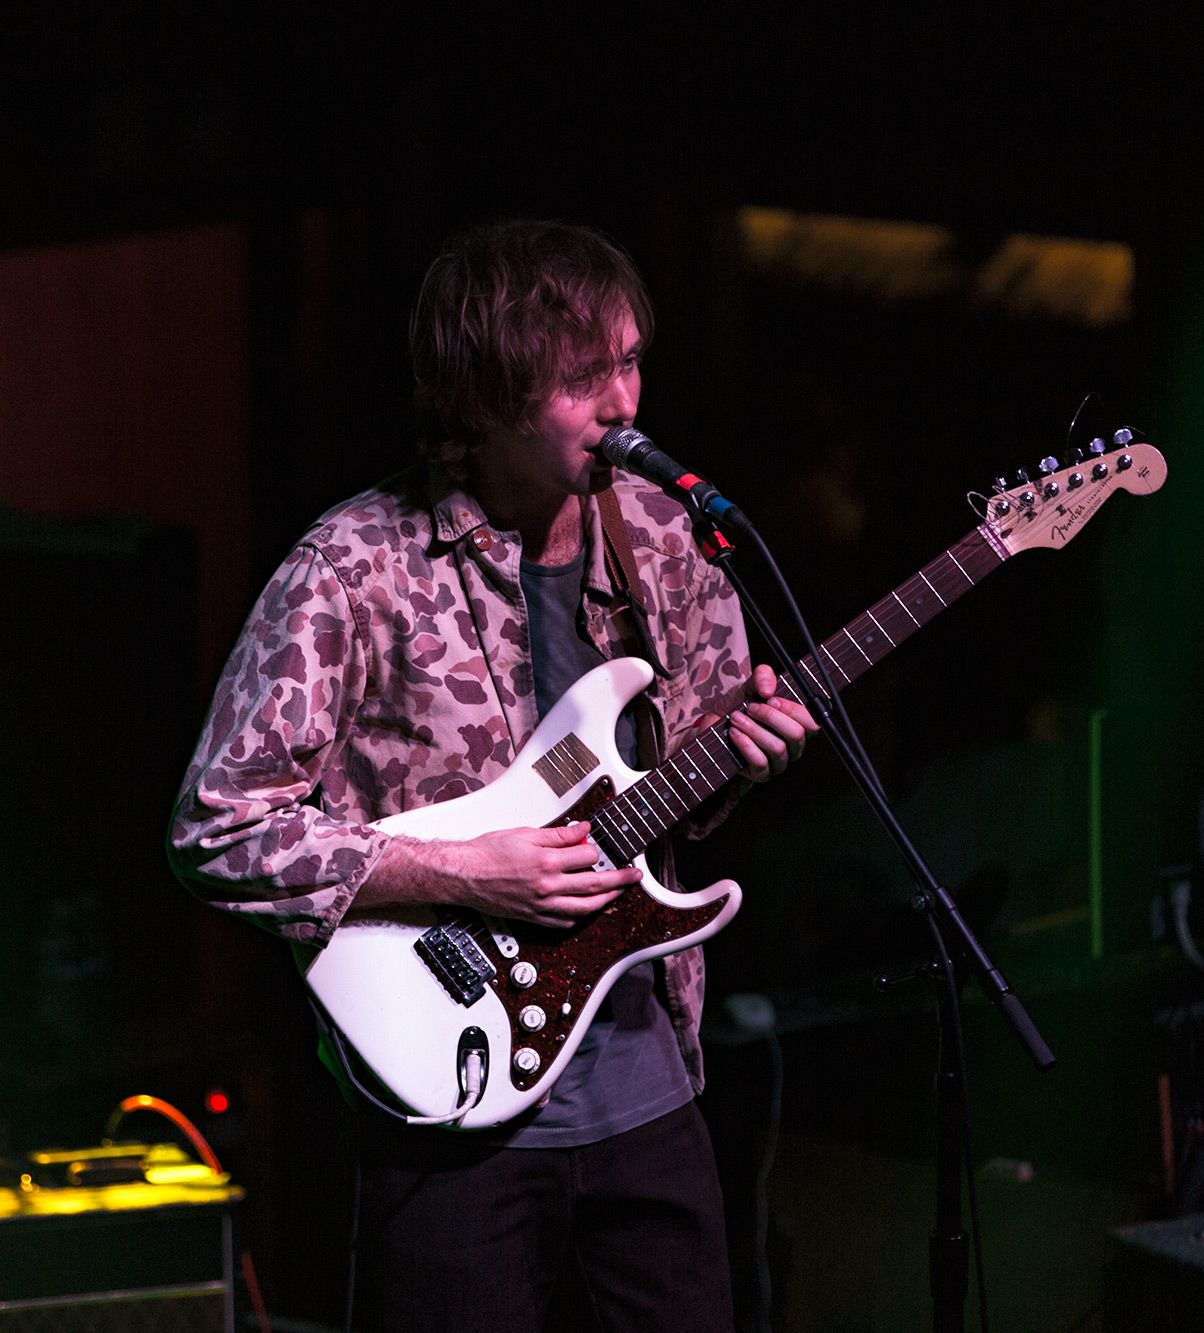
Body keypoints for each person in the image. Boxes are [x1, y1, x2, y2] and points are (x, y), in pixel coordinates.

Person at [169, 220, 814, 1332]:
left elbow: (685, 798)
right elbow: (219, 830)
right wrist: (467, 872)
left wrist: (746, 757)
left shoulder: (668, 537)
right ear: (487, 395)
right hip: (452, 1099)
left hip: (646, 1089)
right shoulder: (352, 568)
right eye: (582, 378)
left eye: (629, 361)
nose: (622, 402)